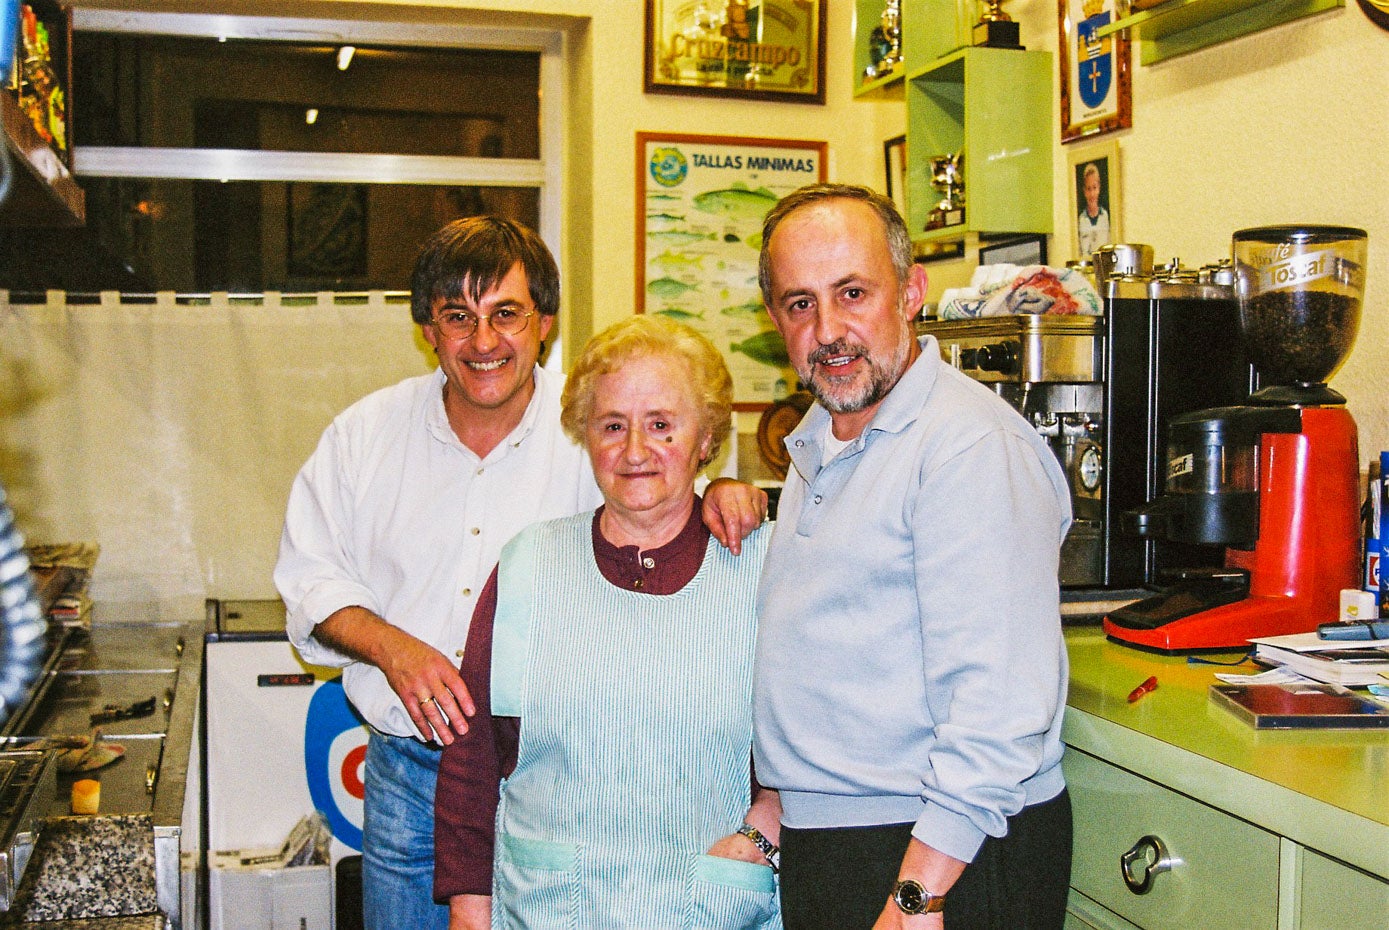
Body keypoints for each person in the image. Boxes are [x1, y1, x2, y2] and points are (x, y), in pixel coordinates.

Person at [274, 217, 767, 930]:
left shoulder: (594, 421)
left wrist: (726, 493)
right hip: (406, 775)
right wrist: (394, 649)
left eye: (505, 314)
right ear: (427, 330)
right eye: (457, 318)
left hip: (554, 782)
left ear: (542, 323)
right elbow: (309, 580)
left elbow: (668, 486)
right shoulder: (363, 437)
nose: (483, 342)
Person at [752, 183, 1073, 929]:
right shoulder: (821, 438)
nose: (828, 329)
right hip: (842, 844)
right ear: (776, 321)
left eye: (852, 293)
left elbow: (998, 704)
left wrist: (917, 896)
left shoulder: (966, 446)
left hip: (942, 854)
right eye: (800, 304)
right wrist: (771, 810)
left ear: (911, 292)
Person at [434, 314, 782, 930]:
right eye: (612, 425)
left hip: (715, 908)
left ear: (706, 440)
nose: (635, 451)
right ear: (584, 435)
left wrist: (762, 836)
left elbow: (821, 742)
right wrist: (469, 908)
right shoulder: (528, 565)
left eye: (661, 426)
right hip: (553, 908)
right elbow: (474, 755)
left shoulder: (766, 567)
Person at [1076, 161, 1111, 259]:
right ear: (1084, 191)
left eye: (1094, 188)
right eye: (1088, 188)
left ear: (1099, 188)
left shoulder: (1105, 216)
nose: (1092, 194)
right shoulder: (1081, 219)